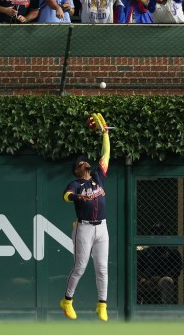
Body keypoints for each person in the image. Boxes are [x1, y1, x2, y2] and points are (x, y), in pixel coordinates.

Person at [59, 113, 110, 322]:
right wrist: (75, 196)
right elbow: (66, 195)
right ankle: (67, 301)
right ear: (77, 170)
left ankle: (102, 304)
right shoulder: (76, 184)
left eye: (85, 161)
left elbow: (105, 154)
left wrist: (105, 134)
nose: (85, 163)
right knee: (80, 266)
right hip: (85, 228)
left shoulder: (97, 177)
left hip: (102, 228)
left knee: (102, 268)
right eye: (81, 163)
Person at [137, 224, 182, 305]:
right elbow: (136, 267)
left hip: (161, 280)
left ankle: (166, 309)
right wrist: (141, 278)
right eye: (154, 233)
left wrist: (161, 276)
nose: (157, 235)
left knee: (167, 280)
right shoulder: (145, 252)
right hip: (145, 280)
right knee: (133, 282)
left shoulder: (171, 252)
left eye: (160, 233)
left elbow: (177, 268)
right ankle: (136, 309)